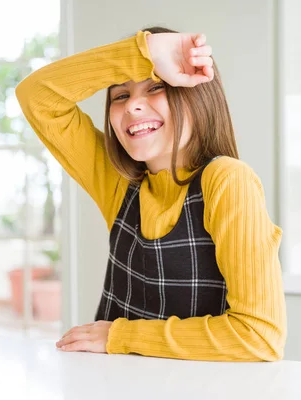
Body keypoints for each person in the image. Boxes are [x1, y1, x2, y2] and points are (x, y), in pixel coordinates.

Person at [15, 26, 286, 362]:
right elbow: (36, 96)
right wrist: (144, 52)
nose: (133, 107)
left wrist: (119, 335)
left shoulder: (228, 181)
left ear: (197, 96)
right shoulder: (118, 183)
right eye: (120, 95)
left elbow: (258, 335)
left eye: (155, 87)